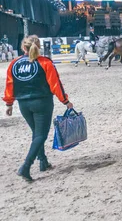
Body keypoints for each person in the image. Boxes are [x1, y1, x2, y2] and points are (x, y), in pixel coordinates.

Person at [3, 35, 73, 182]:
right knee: (41, 135)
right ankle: (26, 166)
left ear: (23, 48)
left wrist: (9, 104)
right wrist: (65, 101)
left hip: (23, 104)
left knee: (36, 133)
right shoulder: (45, 62)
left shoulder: (14, 64)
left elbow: (10, 85)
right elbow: (55, 84)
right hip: (42, 102)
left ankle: (43, 161)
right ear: (38, 46)